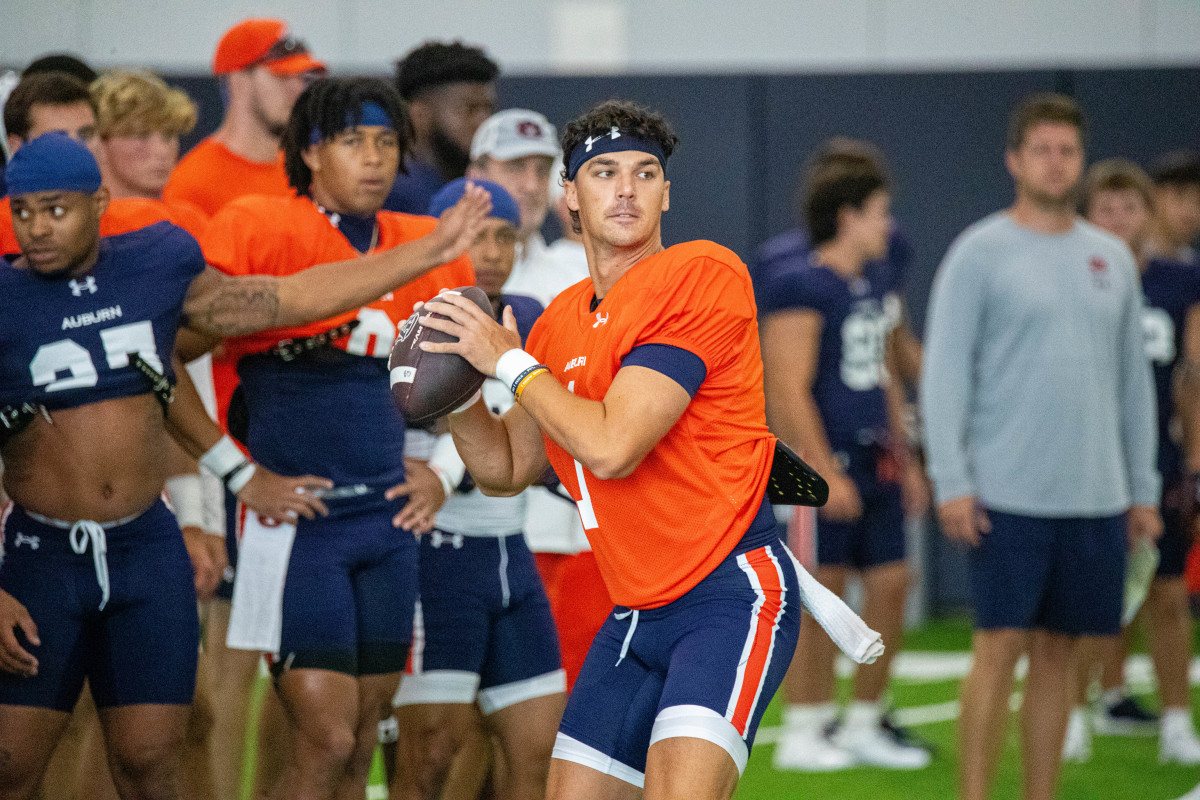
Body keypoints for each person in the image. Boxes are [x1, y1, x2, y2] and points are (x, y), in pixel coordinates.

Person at [414, 99, 884, 800]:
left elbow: (612, 447)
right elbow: (506, 468)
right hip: (635, 609)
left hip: (728, 594)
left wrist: (507, 364)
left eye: (644, 172)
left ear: (668, 191)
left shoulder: (701, 273)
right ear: (569, 195)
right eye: (603, 173)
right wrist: (454, 385)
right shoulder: (562, 322)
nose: (626, 189)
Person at [0, 132, 486, 799]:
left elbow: (286, 300)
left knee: (152, 762)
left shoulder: (155, 263)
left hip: (144, 546)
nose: (36, 228)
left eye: (54, 210)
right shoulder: (6, 296)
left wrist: (426, 251)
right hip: (42, 553)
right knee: (12, 764)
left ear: (99, 203)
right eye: (22, 211)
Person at [202, 76, 477, 800]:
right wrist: (234, 473)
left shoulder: (427, 242)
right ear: (311, 152)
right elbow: (171, 357)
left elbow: (483, 383)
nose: (374, 158)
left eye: (386, 142)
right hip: (297, 521)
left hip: (385, 520)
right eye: (353, 141)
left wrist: (442, 471)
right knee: (324, 736)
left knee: (360, 740)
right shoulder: (257, 224)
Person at [920, 93, 1161, 800]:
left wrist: (1142, 491)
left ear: (1080, 163)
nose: (1056, 163)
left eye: (1068, 151)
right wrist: (953, 480)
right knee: (997, 650)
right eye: (1043, 150)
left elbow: (1131, 387)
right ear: (1015, 160)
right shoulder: (979, 253)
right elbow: (944, 377)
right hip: (1005, 496)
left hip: (1096, 497)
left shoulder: (1112, 257)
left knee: (1061, 654)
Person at [390, 177, 565, 800]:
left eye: (505, 236)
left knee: (540, 748)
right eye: (476, 235)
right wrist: (437, 469)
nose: (491, 252)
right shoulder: (411, 314)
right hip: (435, 557)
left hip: (509, 549)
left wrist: (443, 467)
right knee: (430, 753)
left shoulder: (531, 313)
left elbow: (525, 417)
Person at [759, 158, 930, 771]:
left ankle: (863, 720)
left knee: (890, 584)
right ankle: (804, 728)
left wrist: (907, 454)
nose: (890, 225)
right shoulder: (799, 283)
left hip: (875, 452)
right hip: (822, 456)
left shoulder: (874, 277)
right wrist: (820, 469)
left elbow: (887, 368)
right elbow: (785, 386)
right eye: (879, 212)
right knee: (821, 590)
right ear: (848, 216)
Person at [1061, 159, 1200, 765]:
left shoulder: (1175, 282)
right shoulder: (1068, 276)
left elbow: (1191, 378)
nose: (1118, 221)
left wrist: (1194, 459)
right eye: (1105, 209)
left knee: (1168, 595)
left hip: (1157, 461)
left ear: (1150, 215)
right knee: (1092, 603)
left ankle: (1175, 722)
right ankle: (1067, 714)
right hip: (1086, 463)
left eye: (1129, 208)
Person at [466, 111, 601, 692]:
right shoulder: (433, 268)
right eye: (513, 166)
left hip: (570, 519)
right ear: (476, 172)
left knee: (575, 713)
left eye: (542, 168)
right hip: (467, 517)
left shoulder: (580, 268)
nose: (529, 182)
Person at [164, 17, 326, 217]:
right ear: (238, 80)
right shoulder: (191, 187)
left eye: (302, 77)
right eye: (281, 75)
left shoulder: (310, 172)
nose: (298, 88)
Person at [90, 70, 208, 239]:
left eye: (168, 135)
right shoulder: (85, 226)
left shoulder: (192, 221)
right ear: (100, 141)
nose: (162, 151)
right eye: (141, 135)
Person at [384, 40, 498, 215]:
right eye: (469, 109)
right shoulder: (387, 194)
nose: (484, 122)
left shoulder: (481, 188)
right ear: (419, 115)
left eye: (487, 109)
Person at [1146, 151, 1200, 265]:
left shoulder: (1194, 266)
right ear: (1155, 195)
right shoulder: (1125, 260)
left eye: (1198, 201)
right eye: (1180, 195)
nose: (1190, 210)